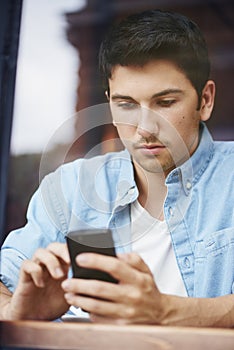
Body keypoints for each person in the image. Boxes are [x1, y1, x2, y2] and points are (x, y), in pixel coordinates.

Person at [0, 9, 234, 327]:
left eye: (165, 103)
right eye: (126, 105)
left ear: (204, 100)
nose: (145, 128)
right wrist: (17, 312)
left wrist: (163, 311)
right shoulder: (68, 189)